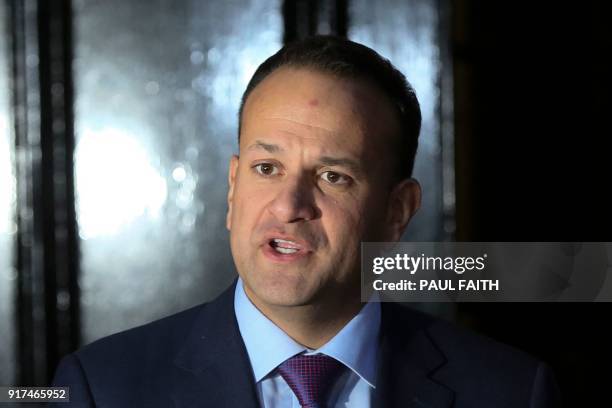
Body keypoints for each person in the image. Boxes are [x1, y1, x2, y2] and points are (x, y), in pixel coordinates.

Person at [51, 35, 561, 407]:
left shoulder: (513, 392)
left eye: (333, 176)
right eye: (267, 169)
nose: (289, 204)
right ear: (233, 188)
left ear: (397, 211)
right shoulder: (98, 386)